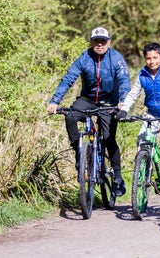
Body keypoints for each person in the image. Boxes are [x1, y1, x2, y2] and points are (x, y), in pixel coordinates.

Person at [47, 26, 131, 196]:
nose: (99, 44)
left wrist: (123, 100)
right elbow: (69, 78)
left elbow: (124, 81)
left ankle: (117, 177)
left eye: (103, 41)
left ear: (109, 42)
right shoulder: (85, 57)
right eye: (96, 41)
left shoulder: (116, 58)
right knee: (70, 116)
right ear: (91, 42)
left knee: (109, 139)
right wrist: (55, 101)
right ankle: (80, 152)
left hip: (109, 103)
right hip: (87, 101)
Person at [117, 42, 160, 167]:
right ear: (145, 59)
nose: (152, 61)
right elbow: (133, 94)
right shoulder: (142, 75)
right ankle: (143, 175)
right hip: (151, 115)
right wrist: (124, 110)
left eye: (155, 58)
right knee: (143, 142)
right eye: (148, 58)